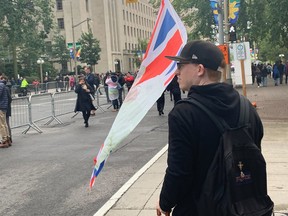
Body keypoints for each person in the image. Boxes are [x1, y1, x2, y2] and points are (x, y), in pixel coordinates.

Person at [157, 40, 264, 215]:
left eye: (181, 65)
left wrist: (165, 202)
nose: (176, 71)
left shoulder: (184, 114)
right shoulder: (246, 107)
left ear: (199, 69)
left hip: (199, 208)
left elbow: (179, 172)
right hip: (244, 207)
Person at [0, 75, 11, 148]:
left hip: (1, 106)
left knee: (1, 125)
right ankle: (8, 138)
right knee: (4, 124)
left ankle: (4, 140)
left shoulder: (0, 85)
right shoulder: (3, 85)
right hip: (3, 106)